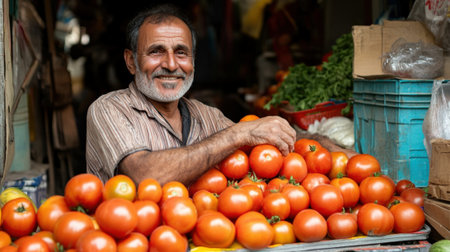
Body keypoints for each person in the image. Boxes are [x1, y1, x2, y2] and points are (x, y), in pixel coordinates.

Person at [86, 4, 356, 186]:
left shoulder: (205, 115)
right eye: (156, 51)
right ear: (131, 61)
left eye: (181, 52)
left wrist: (322, 144)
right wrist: (237, 133)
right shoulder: (109, 109)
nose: (170, 64)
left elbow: (265, 139)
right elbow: (144, 175)